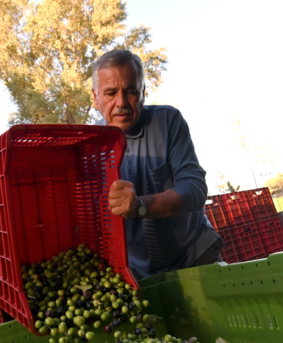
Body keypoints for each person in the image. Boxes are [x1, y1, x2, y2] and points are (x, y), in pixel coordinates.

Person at [91, 49, 223, 280]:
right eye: (110, 93)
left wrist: (141, 206)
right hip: (137, 274)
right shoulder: (89, 146)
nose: (121, 102)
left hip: (195, 256)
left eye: (131, 91)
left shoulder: (168, 121)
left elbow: (195, 189)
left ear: (143, 92)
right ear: (95, 97)